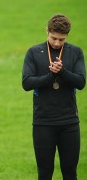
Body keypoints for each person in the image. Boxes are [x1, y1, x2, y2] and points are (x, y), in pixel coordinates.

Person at [22, 13, 86, 180]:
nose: (57, 43)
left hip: (69, 122)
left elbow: (81, 82)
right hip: (43, 123)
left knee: (70, 172)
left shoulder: (75, 52)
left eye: (61, 39)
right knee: (44, 173)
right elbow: (27, 83)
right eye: (54, 38)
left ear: (67, 36)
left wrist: (62, 72)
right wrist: (50, 76)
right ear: (47, 31)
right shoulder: (34, 52)